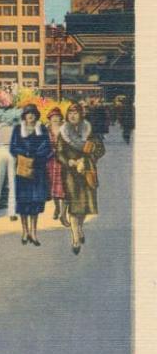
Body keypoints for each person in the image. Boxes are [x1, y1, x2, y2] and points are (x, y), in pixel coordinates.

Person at [56, 102, 106, 255]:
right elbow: (59, 153)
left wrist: (88, 158)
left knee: (84, 207)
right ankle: (75, 238)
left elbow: (101, 149)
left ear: (81, 115)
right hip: (70, 172)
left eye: (76, 112)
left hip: (87, 170)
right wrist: (69, 161)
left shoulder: (89, 130)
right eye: (70, 113)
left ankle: (79, 227)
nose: (72, 115)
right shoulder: (63, 132)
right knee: (74, 205)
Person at [10, 104, 52, 246]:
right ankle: (24, 231)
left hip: (38, 169)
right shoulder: (17, 129)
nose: (30, 116)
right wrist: (25, 153)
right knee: (23, 202)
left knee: (35, 202)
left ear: (36, 115)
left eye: (33, 113)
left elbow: (47, 147)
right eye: (28, 114)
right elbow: (13, 147)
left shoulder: (42, 129)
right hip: (23, 169)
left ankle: (34, 232)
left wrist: (37, 156)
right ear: (24, 116)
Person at [45, 107, 69, 227]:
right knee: (54, 189)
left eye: (57, 117)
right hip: (51, 162)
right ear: (49, 119)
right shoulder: (46, 130)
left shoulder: (66, 129)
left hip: (64, 162)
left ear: (61, 118)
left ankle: (63, 215)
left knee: (66, 189)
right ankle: (57, 208)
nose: (55, 119)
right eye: (53, 117)